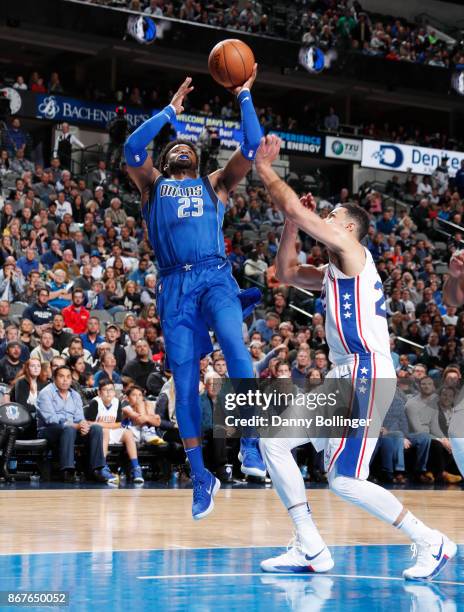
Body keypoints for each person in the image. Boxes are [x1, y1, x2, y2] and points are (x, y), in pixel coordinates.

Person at [254, 134, 456, 580]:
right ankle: (309, 546)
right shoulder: (332, 269)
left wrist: (266, 169)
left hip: (365, 372)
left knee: (345, 480)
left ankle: (431, 541)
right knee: (272, 440)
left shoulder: (354, 254)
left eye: (330, 216)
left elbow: (294, 209)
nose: (324, 220)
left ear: (347, 229)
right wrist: (293, 225)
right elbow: (284, 273)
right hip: (344, 374)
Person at [124, 72, 266, 519]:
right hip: (173, 287)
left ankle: (251, 442)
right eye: (173, 146)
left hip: (214, 277)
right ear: (165, 160)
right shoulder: (150, 186)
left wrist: (243, 95)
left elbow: (252, 147)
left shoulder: (216, 184)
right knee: (184, 383)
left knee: (235, 345)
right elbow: (131, 148)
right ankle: (201, 475)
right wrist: (169, 113)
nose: (181, 147)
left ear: (198, 159)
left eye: (188, 146)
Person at [36, 366, 117, 484]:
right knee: (68, 428)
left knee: (96, 428)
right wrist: (75, 425)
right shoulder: (46, 393)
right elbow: (51, 419)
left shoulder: (75, 395)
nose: (65, 380)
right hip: (49, 430)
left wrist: (83, 425)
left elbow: (80, 418)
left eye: (68, 377)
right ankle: (67, 470)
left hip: (71, 429)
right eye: (61, 376)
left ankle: (97, 470)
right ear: (54, 378)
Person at [86, 379, 143, 483]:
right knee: (105, 431)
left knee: (128, 433)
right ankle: (102, 467)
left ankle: (136, 468)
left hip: (112, 431)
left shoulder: (117, 402)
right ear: (99, 392)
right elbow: (90, 423)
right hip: (98, 435)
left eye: (111, 390)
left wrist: (102, 424)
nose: (108, 392)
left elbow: (119, 424)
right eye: (105, 390)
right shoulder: (95, 402)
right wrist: (105, 426)